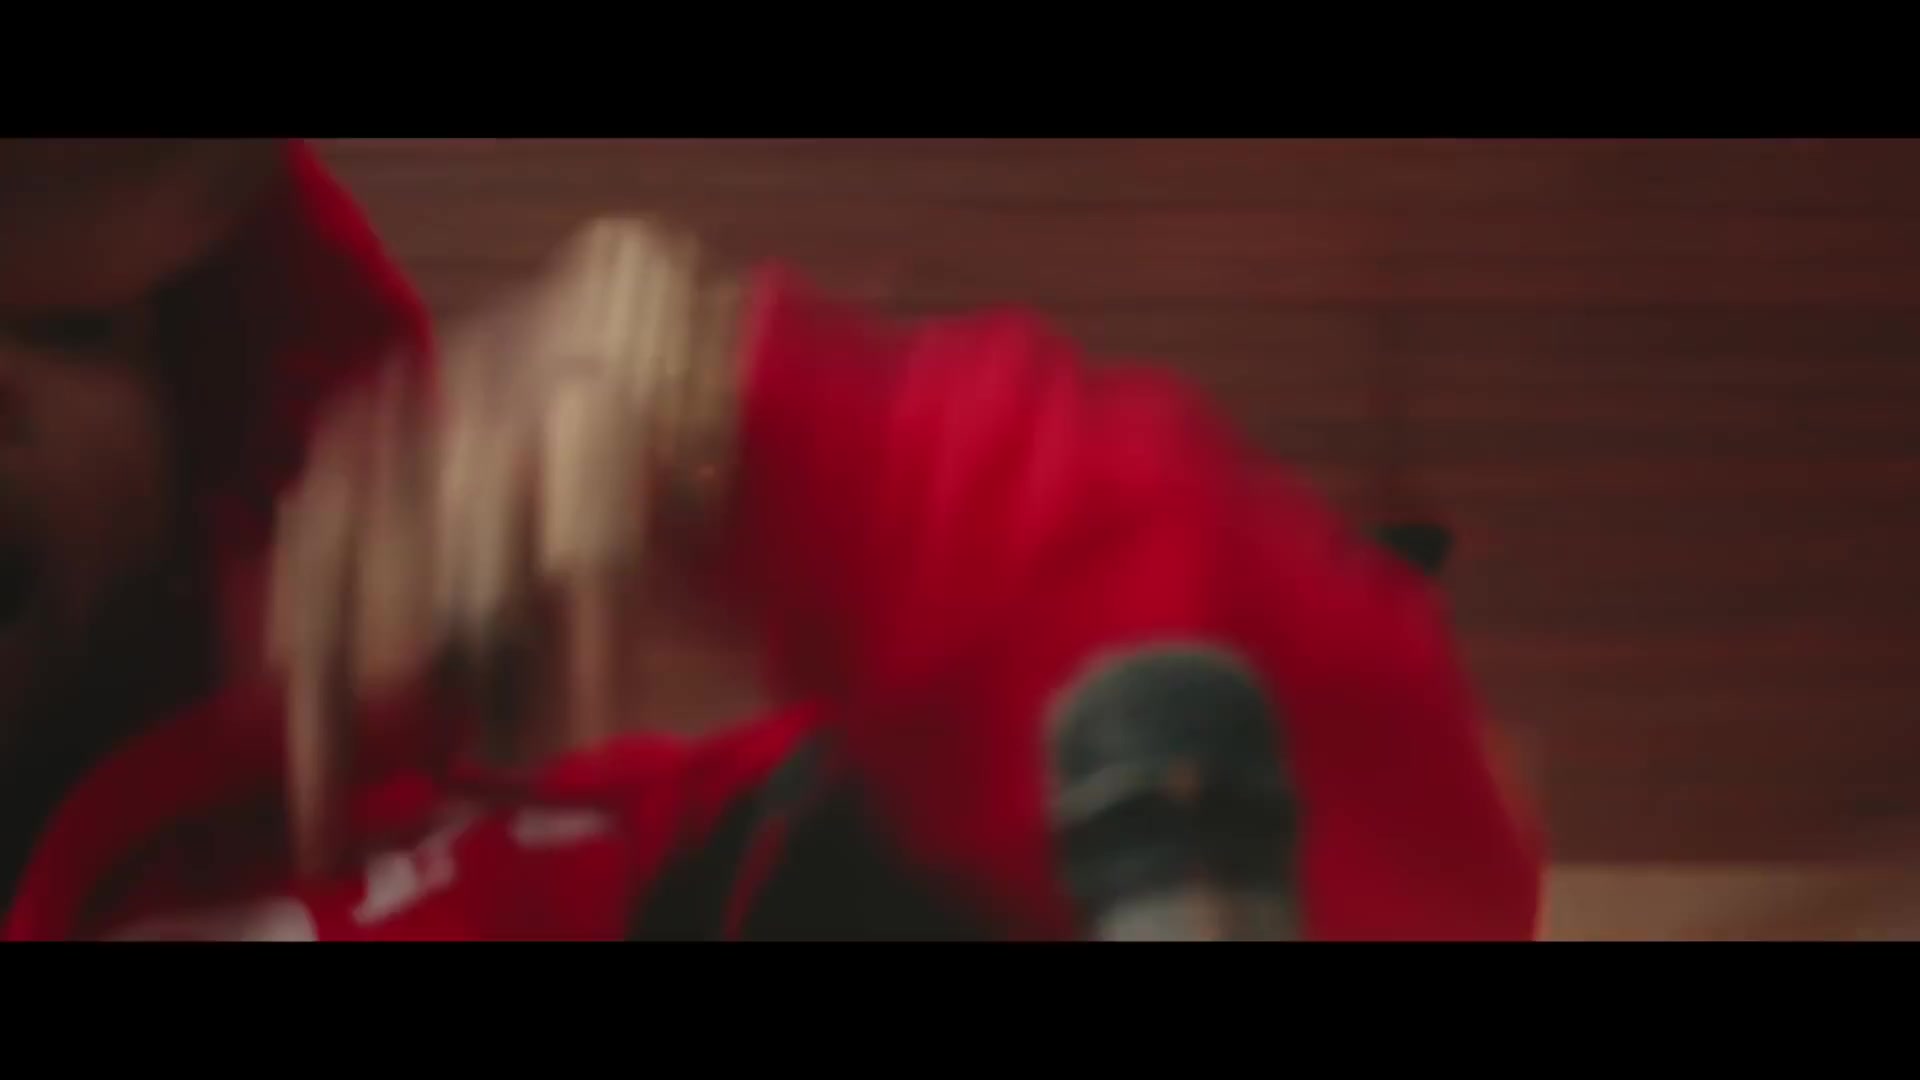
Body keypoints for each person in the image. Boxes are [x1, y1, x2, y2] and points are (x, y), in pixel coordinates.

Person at [0, 139, 1542, 940]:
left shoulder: (600, 888)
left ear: (211, 426)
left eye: (62, 325)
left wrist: (770, 439)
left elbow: (1378, 867)